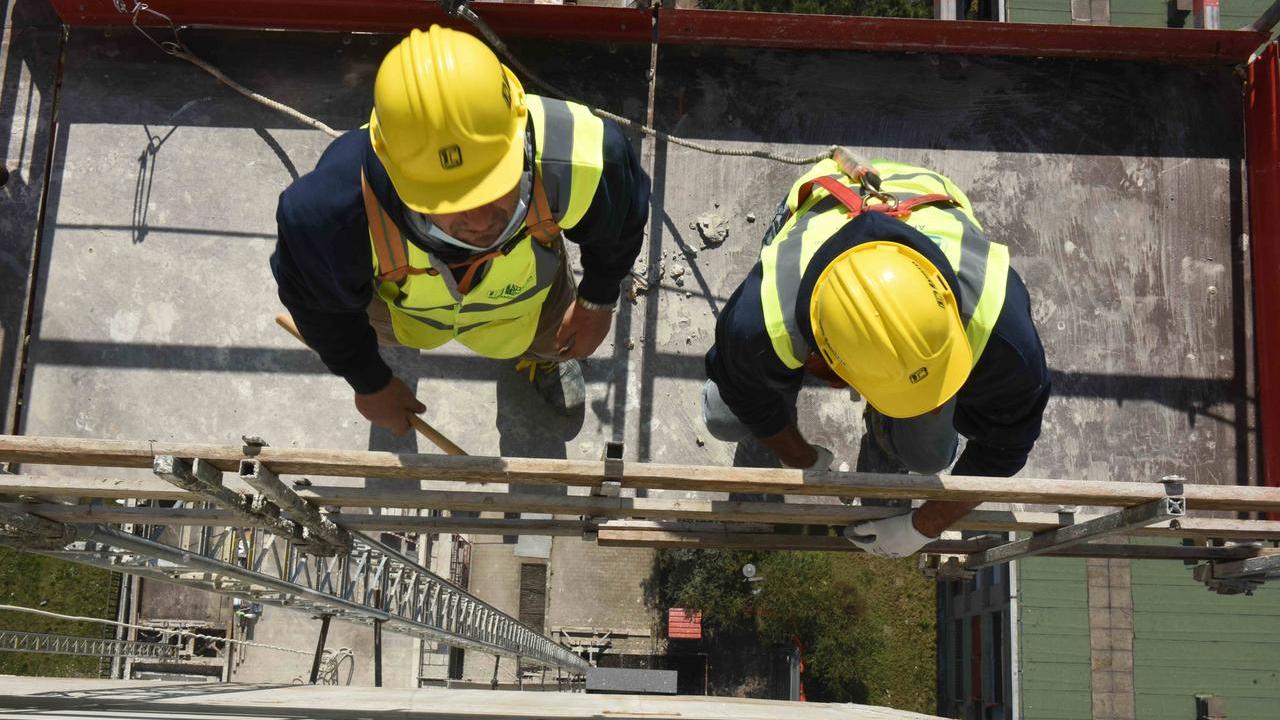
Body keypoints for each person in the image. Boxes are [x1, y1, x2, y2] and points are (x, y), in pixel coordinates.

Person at [271, 26, 649, 431]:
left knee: (550, 338)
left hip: (527, 303)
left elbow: (617, 228)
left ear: (519, 133)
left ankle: (540, 360)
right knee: (365, 327)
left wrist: (596, 302)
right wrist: (369, 380)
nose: (484, 221)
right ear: (395, 174)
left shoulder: (588, 158)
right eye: (449, 203)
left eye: (497, 184)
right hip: (404, 313)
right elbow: (322, 310)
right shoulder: (329, 218)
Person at [702, 152, 1050, 557]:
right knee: (724, 414)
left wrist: (925, 526)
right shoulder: (761, 320)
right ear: (828, 364)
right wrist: (800, 456)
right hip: (826, 195)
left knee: (927, 456)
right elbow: (745, 396)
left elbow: (1006, 448)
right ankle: (783, 396)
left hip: (926, 192)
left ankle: (885, 435)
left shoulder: (1001, 330)